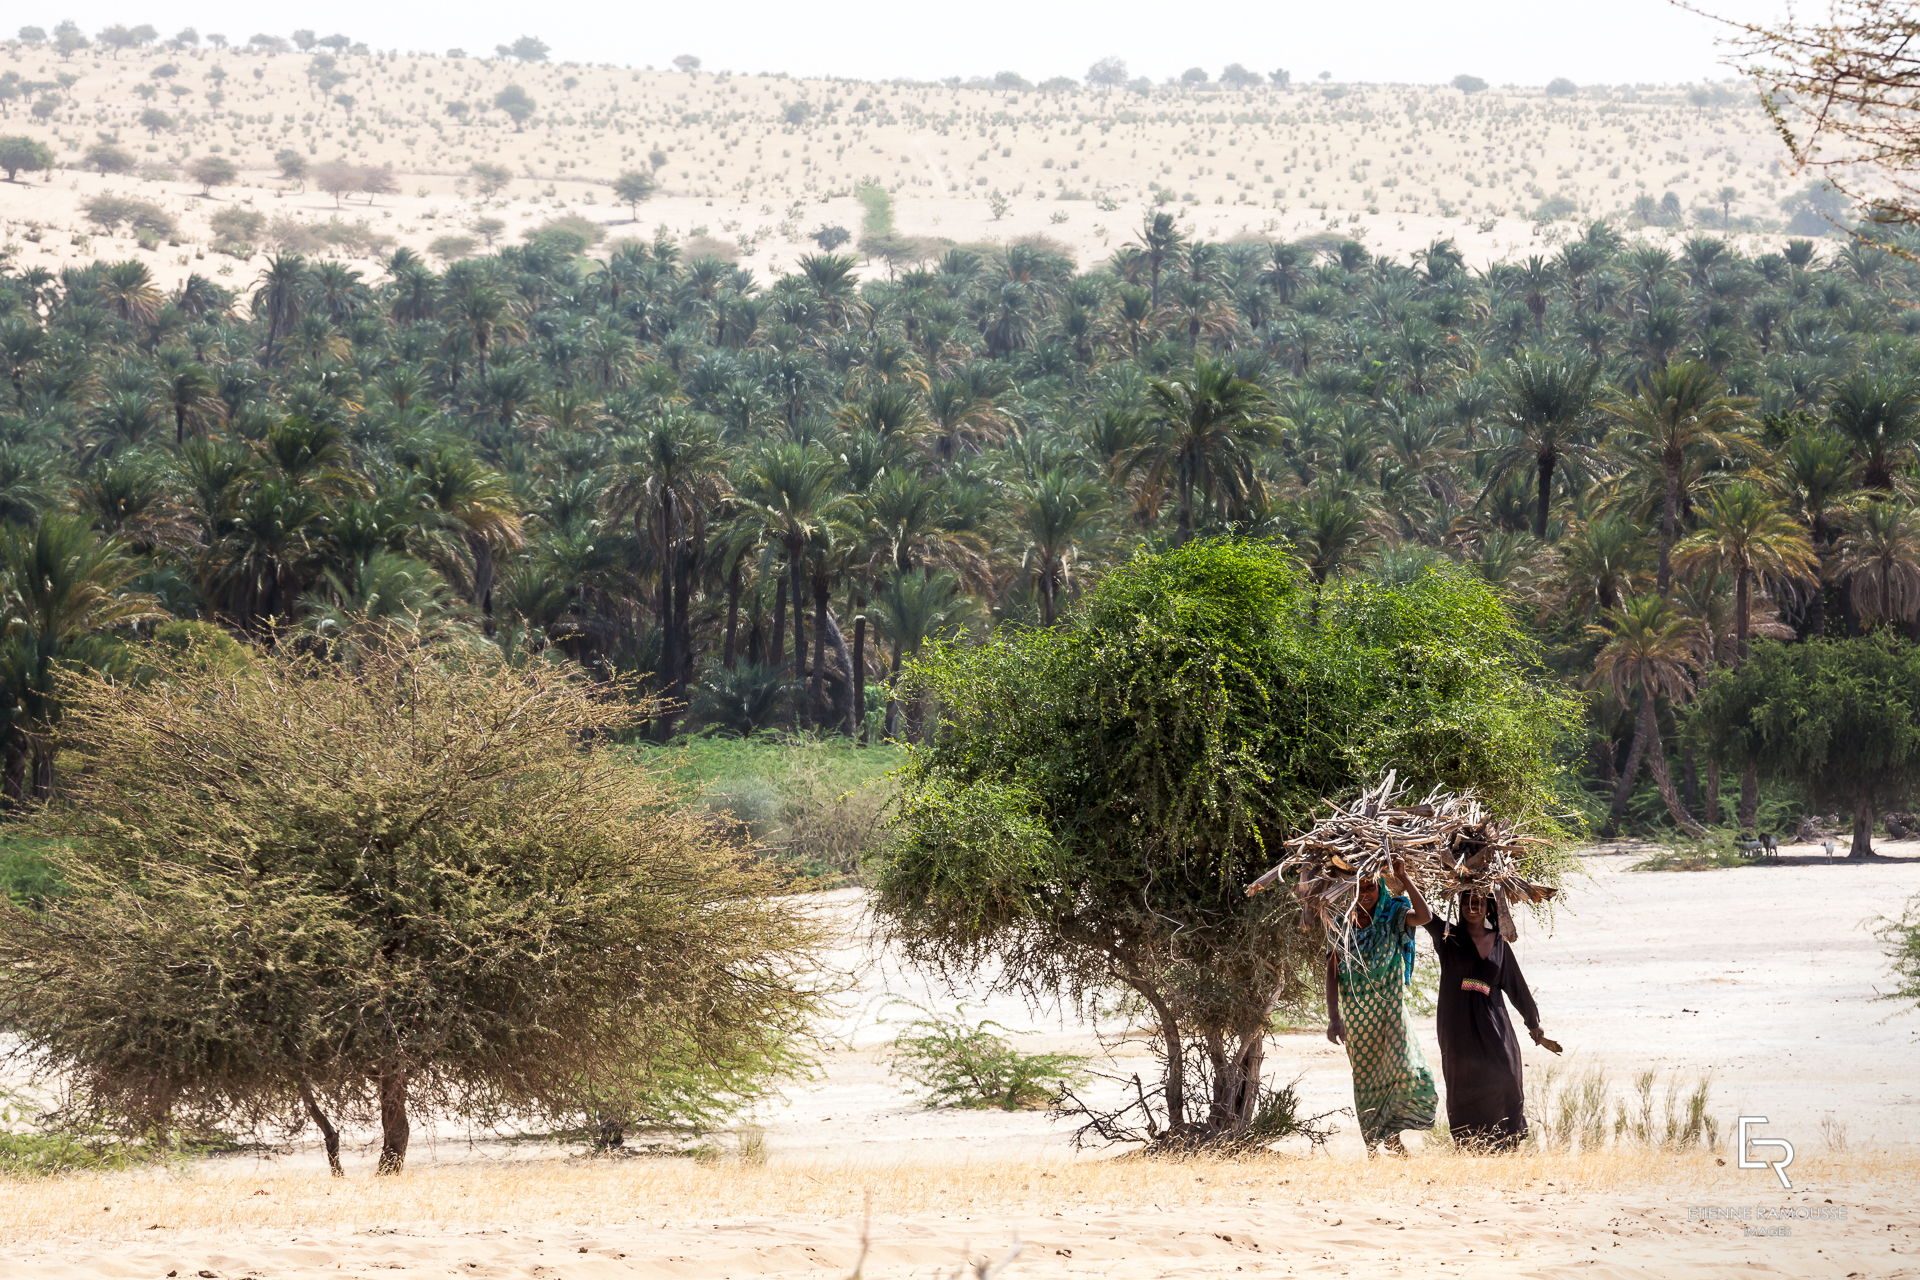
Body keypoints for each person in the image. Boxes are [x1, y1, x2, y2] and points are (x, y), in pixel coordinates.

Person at [1423, 888, 1556, 1150]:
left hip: (1494, 1022)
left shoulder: (1499, 943)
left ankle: (1506, 1142)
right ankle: (1469, 1143)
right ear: (1459, 906)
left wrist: (1534, 1025)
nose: (1472, 906)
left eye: (1479, 901)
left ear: (1489, 908)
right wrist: (1404, 877)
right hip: (1457, 1023)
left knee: (1505, 1076)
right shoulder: (1448, 936)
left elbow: (1517, 987)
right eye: (1466, 901)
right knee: (1464, 1080)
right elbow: (1425, 915)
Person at [1324, 869, 1437, 1156]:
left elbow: (1424, 917)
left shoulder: (1394, 914)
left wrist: (1404, 876)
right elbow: (1332, 971)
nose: (1365, 894)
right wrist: (1334, 1017)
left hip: (1390, 1009)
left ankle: (1394, 1130)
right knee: (1367, 1079)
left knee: (1409, 1070)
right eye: (1359, 888)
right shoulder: (1341, 923)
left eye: (1371, 887)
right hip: (1357, 1014)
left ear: (1381, 888)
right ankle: (1380, 1141)